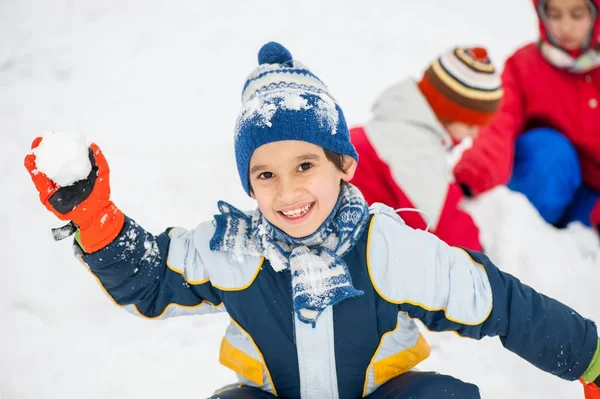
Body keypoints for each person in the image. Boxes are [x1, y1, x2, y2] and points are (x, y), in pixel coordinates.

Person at [24, 42, 600, 399]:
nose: (289, 190)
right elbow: (151, 279)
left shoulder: (387, 248)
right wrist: (95, 219)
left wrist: (589, 358)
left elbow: (498, 302)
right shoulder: (235, 249)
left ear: (343, 165)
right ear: (248, 185)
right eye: (265, 175)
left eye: (304, 165)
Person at [453, 0, 600, 229]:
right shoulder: (523, 65)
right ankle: (523, 240)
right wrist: (470, 177)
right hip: (542, 182)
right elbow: (499, 124)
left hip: (592, 198)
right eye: (555, 14)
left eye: (577, 14)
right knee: (550, 150)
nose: (565, 26)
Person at [350, 46, 503, 251]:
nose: (475, 135)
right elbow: (442, 229)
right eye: (470, 125)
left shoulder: (397, 124)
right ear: (446, 112)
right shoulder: (415, 147)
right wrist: (480, 257)